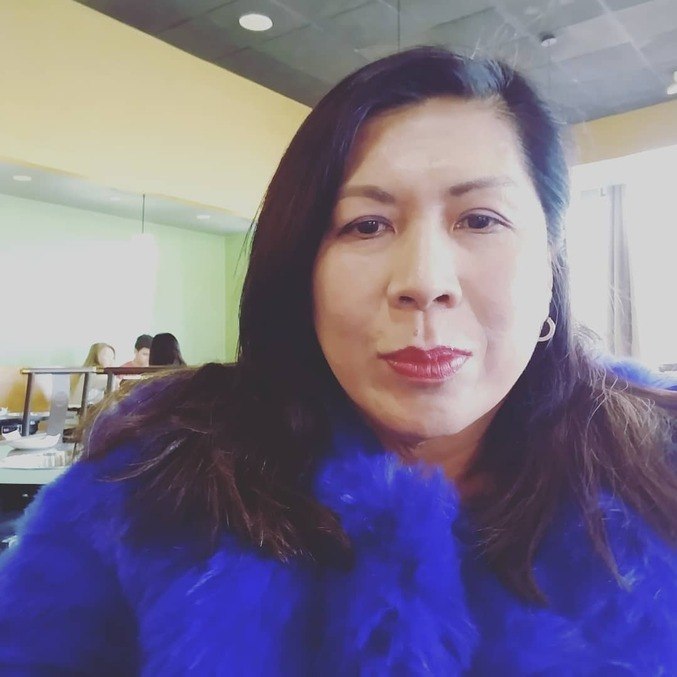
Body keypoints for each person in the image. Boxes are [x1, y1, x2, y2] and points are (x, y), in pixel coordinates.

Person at [0, 47, 675, 674]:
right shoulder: (150, 476)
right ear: (302, 270)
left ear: (551, 263)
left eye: (480, 219)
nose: (423, 280)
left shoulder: (658, 468)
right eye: (366, 225)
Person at [69, 341, 116, 406]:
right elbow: (115, 383)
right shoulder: (94, 375)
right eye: (106, 356)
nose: (111, 360)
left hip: (77, 410)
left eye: (112, 357)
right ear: (95, 357)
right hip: (83, 411)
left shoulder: (83, 373)